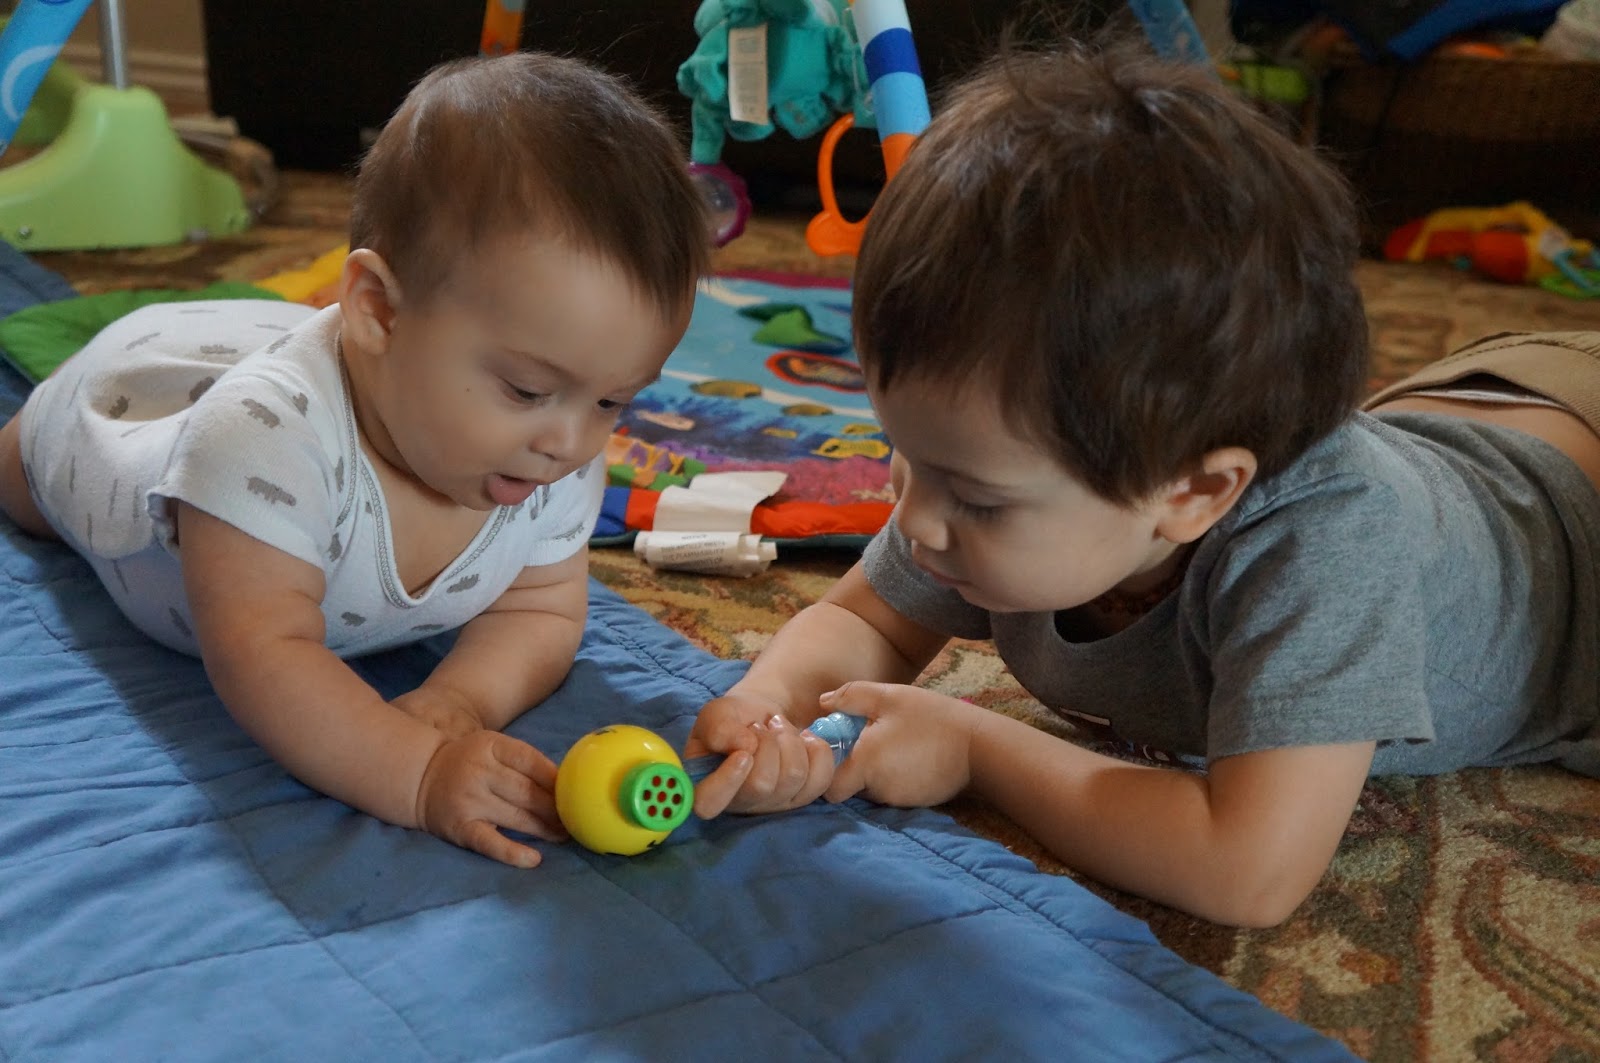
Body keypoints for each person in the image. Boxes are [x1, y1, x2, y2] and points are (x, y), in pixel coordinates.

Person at [686, 39, 1600, 927]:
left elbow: (1249, 870)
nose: (915, 519)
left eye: (976, 496)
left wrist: (973, 747)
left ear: (1194, 495)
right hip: (1473, 402)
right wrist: (767, 710)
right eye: (905, 454)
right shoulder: (1012, 468)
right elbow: (867, 622)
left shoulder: (1329, 541)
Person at [0, 51, 711, 868]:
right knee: (24, 476)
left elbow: (543, 611)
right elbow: (263, 651)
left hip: (316, 358)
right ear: (379, 310)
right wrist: (418, 772)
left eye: (613, 401)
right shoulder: (262, 444)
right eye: (525, 389)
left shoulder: (552, 448)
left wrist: (460, 699)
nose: (572, 443)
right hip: (122, 413)